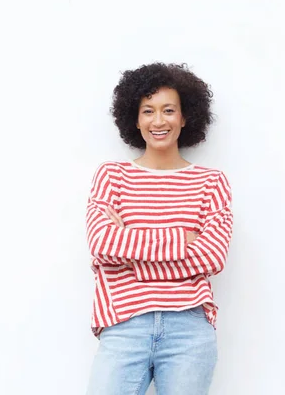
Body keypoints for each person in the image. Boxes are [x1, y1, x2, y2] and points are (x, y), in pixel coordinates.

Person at [85, 62, 233, 395]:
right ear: (135, 120)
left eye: (169, 110)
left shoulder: (211, 183)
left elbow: (211, 257)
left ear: (184, 117)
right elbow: (102, 244)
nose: (158, 120)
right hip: (123, 324)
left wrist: (129, 258)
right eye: (148, 111)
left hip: (189, 329)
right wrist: (181, 239)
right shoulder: (112, 177)